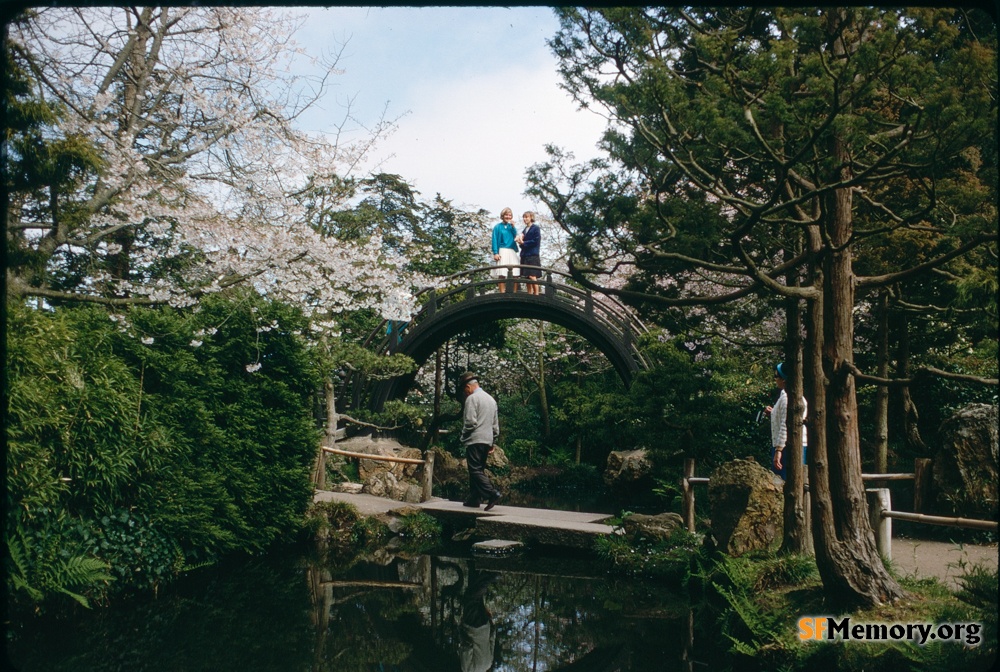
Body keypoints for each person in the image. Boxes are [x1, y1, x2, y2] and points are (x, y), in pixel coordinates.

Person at [458, 371, 503, 510]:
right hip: (487, 440)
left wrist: (463, 435)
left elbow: (471, 422)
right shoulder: (491, 399)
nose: (465, 393)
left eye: (464, 390)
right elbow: (495, 426)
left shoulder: (472, 399)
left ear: (468, 387)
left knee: (475, 470)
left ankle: (492, 493)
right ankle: (474, 498)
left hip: (475, 439)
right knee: (479, 469)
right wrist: (493, 441)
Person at [764, 362, 808, 480]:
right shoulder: (787, 396)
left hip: (786, 447)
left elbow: (785, 425)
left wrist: (778, 450)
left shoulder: (787, 398)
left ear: (783, 379)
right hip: (787, 445)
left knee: (784, 482)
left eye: (776, 376)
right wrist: (773, 412)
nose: (775, 379)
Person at [490, 207, 519, 293]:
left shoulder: (511, 227)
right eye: (506, 215)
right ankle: (502, 292)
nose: (508, 217)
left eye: (510, 215)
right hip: (502, 249)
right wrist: (495, 252)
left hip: (512, 249)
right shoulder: (497, 227)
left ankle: (514, 292)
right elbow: (494, 240)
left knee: (515, 272)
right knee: (502, 273)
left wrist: (513, 227)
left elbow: (516, 236)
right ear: (503, 216)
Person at [515, 211, 541, 295]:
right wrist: (520, 242)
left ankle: (536, 293)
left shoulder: (535, 228)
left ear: (531, 218)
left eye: (527, 217)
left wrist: (523, 243)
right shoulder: (524, 230)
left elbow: (536, 241)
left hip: (533, 254)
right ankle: (529, 293)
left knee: (532, 275)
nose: (525, 219)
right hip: (524, 254)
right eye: (524, 217)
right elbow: (522, 244)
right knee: (526, 276)